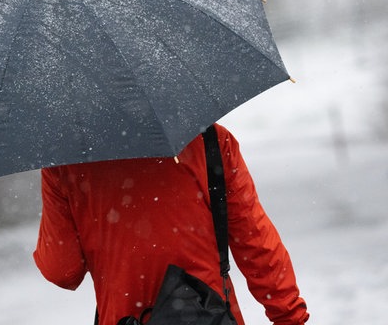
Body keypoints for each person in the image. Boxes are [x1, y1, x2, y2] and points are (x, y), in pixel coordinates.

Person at [34, 123, 309, 325]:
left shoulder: (66, 162)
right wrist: (289, 317)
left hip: (125, 319)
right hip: (208, 315)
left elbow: (62, 271)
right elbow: (255, 242)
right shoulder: (209, 140)